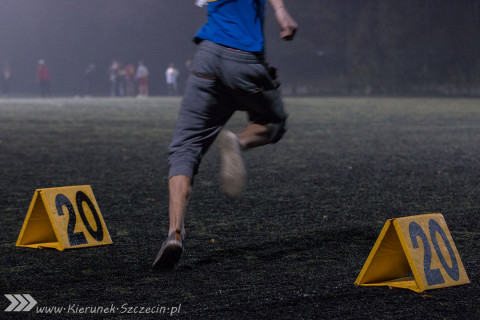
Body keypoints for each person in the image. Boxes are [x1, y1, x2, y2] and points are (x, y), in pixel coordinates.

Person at [152, 0, 297, 271]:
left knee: (186, 146)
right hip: (244, 57)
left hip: (208, 57)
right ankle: (238, 141)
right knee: (274, 123)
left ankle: (175, 234)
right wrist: (280, 12)